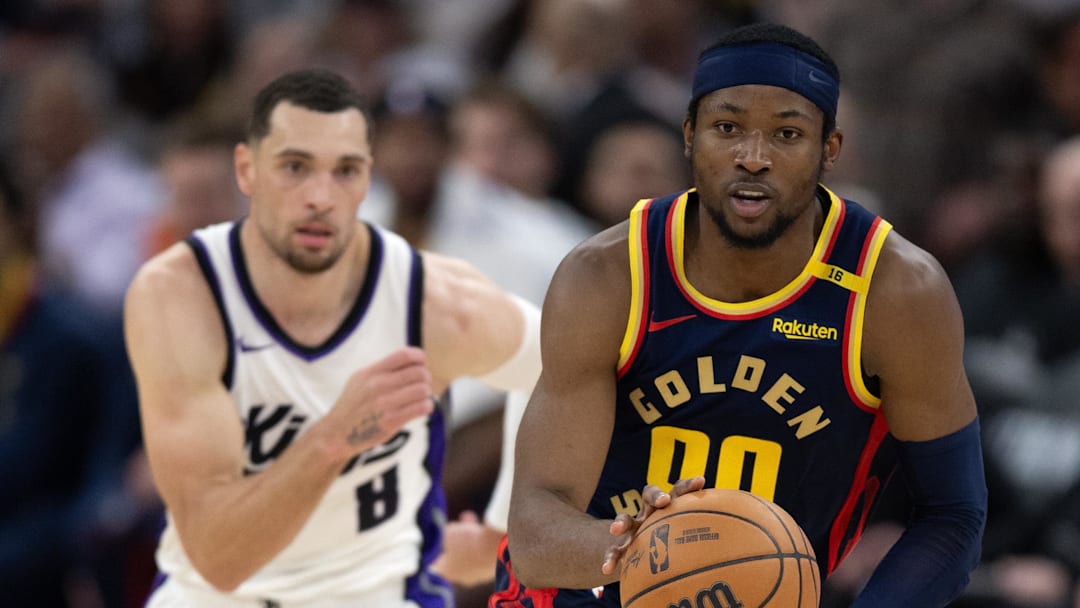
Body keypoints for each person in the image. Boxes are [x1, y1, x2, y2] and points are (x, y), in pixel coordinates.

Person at [499, 22, 987, 608]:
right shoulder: (609, 275)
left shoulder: (894, 290)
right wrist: (653, 552)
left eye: (786, 133)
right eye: (727, 128)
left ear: (829, 149)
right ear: (689, 136)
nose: (752, 158)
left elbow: (953, 514)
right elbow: (533, 530)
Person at [124, 68, 541, 607]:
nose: (320, 196)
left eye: (345, 171)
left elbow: (560, 364)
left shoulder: (432, 299)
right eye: (295, 167)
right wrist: (335, 436)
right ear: (247, 171)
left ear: (368, 180)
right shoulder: (181, 296)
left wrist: (503, 535)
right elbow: (219, 557)